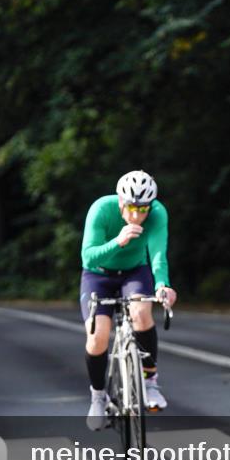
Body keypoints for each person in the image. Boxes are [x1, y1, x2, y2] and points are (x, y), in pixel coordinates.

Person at [80, 170, 177, 431]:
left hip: (135, 272)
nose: (137, 214)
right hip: (98, 275)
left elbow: (158, 255)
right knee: (98, 335)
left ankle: (150, 382)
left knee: (141, 313)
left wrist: (162, 285)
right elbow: (88, 257)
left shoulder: (157, 213)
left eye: (143, 208)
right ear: (121, 203)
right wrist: (118, 241)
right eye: (132, 207)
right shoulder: (101, 209)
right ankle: (98, 397)